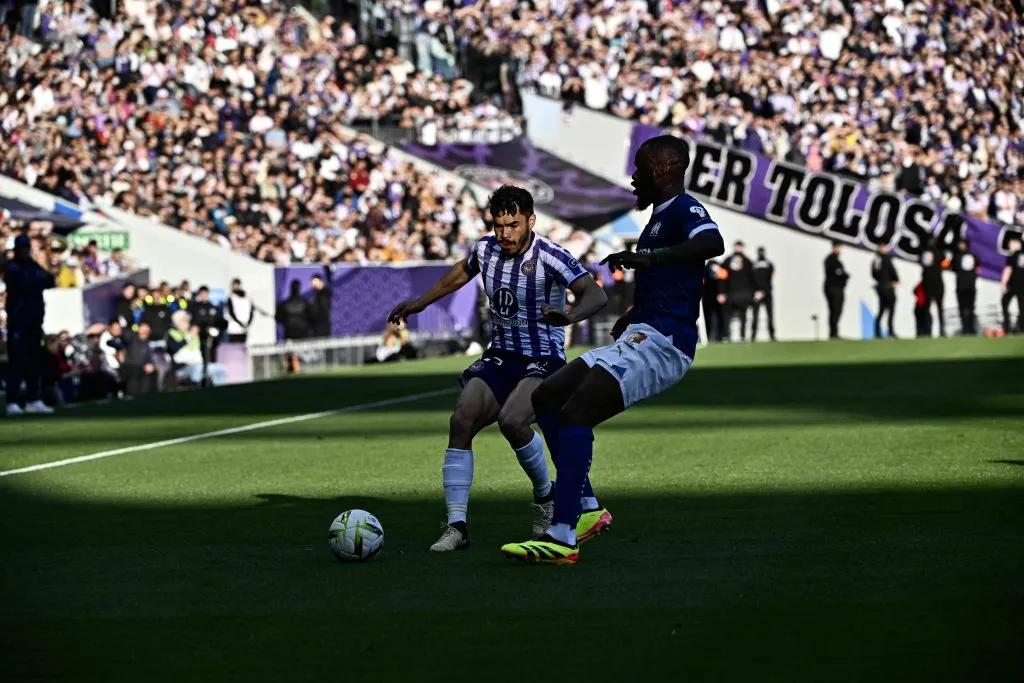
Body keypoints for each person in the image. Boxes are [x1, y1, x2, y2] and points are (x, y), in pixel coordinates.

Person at [499, 135, 724, 564]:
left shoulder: (684, 209)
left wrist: (651, 259)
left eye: (640, 168)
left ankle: (562, 537)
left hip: (664, 343)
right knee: (545, 396)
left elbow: (712, 243)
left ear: (661, 170)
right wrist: (634, 311)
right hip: (643, 331)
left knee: (575, 412)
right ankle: (585, 508)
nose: (633, 177)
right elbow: (672, 282)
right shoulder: (658, 219)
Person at [387, 185, 608, 553]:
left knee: (513, 421)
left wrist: (569, 316)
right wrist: (419, 303)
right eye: (499, 225)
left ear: (531, 221)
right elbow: (460, 273)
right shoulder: (486, 250)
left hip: (543, 359)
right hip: (502, 355)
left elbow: (596, 294)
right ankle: (457, 526)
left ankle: (545, 499)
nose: (505, 233)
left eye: (513, 224)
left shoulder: (551, 255)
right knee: (461, 420)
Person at [4, 234, 56, 416]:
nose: (25, 251)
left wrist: (39, 281)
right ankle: (12, 401)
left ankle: (34, 399)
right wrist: (38, 282)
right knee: (17, 363)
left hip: (34, 321)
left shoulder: (32, 265)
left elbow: (50, 280)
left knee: (35, 362)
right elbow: (23, 285)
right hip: (19, 322)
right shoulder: (12, 266)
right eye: (22, 248)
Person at [165, 310, 229, 386]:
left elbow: (207, 346)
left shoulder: (194, 333)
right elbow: (173, 348)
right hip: (182, 367)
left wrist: (211, 335)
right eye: (184, 321)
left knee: (221, 369)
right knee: (197, 369)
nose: (187, 323)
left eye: (187, 321)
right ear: (177, 323)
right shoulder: (171, 334)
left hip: (200, 364)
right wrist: (188, 338)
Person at [276, 280, 314, 374]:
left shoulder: (284, 304)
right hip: (302, 334)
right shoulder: (305, 303)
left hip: (289, 334)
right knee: (301, 356)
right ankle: (296, 367)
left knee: (291, 354)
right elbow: (312, 317)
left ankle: (291, 368)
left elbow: (278, 318)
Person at [722, 240, 755, 341]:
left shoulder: (748, 261)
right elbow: (722, 278)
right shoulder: (727, 261)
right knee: (727, 315)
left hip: (744, 293)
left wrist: (753, 292)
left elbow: (752, 278)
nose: (738, 248)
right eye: (737, 246)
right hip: (730, 293)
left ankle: (742, 336)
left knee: (743, 315)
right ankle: (726, 335)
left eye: (740, 247)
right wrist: (721, 292)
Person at [919, 236, 947, 337]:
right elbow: (945, 263)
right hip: (937, 282)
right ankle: (941, 330)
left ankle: (928, 330)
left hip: (927, 282)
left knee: (927, 308)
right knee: (939, 308)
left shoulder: (923, 252)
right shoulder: (938, 251)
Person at [872, 245, 900, 339]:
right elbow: (892, 271)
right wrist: (895, 280)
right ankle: (890, 330)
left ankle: (877, 332)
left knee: (881, 309)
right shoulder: (886, 258)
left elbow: (873, 273)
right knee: (890, 309)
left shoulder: (876, 259)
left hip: (880, 286)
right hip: (887, 287)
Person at [952, 240, 979, 335]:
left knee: (966, 308)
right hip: (967, 286)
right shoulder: (973, 255)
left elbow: (954, 268)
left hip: (965, 286)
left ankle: (968, 328)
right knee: (967, 308)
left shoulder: (957, 256)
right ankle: (967, 328)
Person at [823, 242, 849, 339]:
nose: (839, 249)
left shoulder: (836, 260)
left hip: (836, 288)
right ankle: (833, 333)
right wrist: (844, 276)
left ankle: (834, 332)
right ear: (834, 247)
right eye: (838, 247)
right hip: (833, 288)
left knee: (836, 310)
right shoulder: (831, 260)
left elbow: (842, 274)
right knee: (835, 310)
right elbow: (838, 274)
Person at [751, 246, 776, 341]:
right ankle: (753, 336)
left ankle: (772, 335)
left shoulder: (768, 264)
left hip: (765, 292)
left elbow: (770, 277)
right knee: (756, 315)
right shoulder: (756, 264)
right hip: (759, 293)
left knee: (769, 315)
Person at [1002, 238, 1024, 334]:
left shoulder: (1014, 255)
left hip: (1014, 284)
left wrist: (1004, 283)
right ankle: (1018, 326)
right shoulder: (1014, 255)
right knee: (1021, 306)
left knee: (1006, 302)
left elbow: (1008, 269)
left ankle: (1008, 325)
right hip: (1016, 285)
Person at [226, 278, 255, 344]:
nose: (235, 287)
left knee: (243, 347)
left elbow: (251, 312)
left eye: (236, 285)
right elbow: (231, 313)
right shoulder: (231, 297)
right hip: (234, 329)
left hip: (244, 329)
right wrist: (240, 323)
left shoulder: (248, 297)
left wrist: (247, 324)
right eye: (233, 285)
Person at [310, 268, 333, 338]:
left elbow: (323, 309)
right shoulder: (317, 294)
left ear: (321, 281)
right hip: (317, 326)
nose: (313, 284)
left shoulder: (325, 293)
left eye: (315, 282)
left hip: (322, 326)